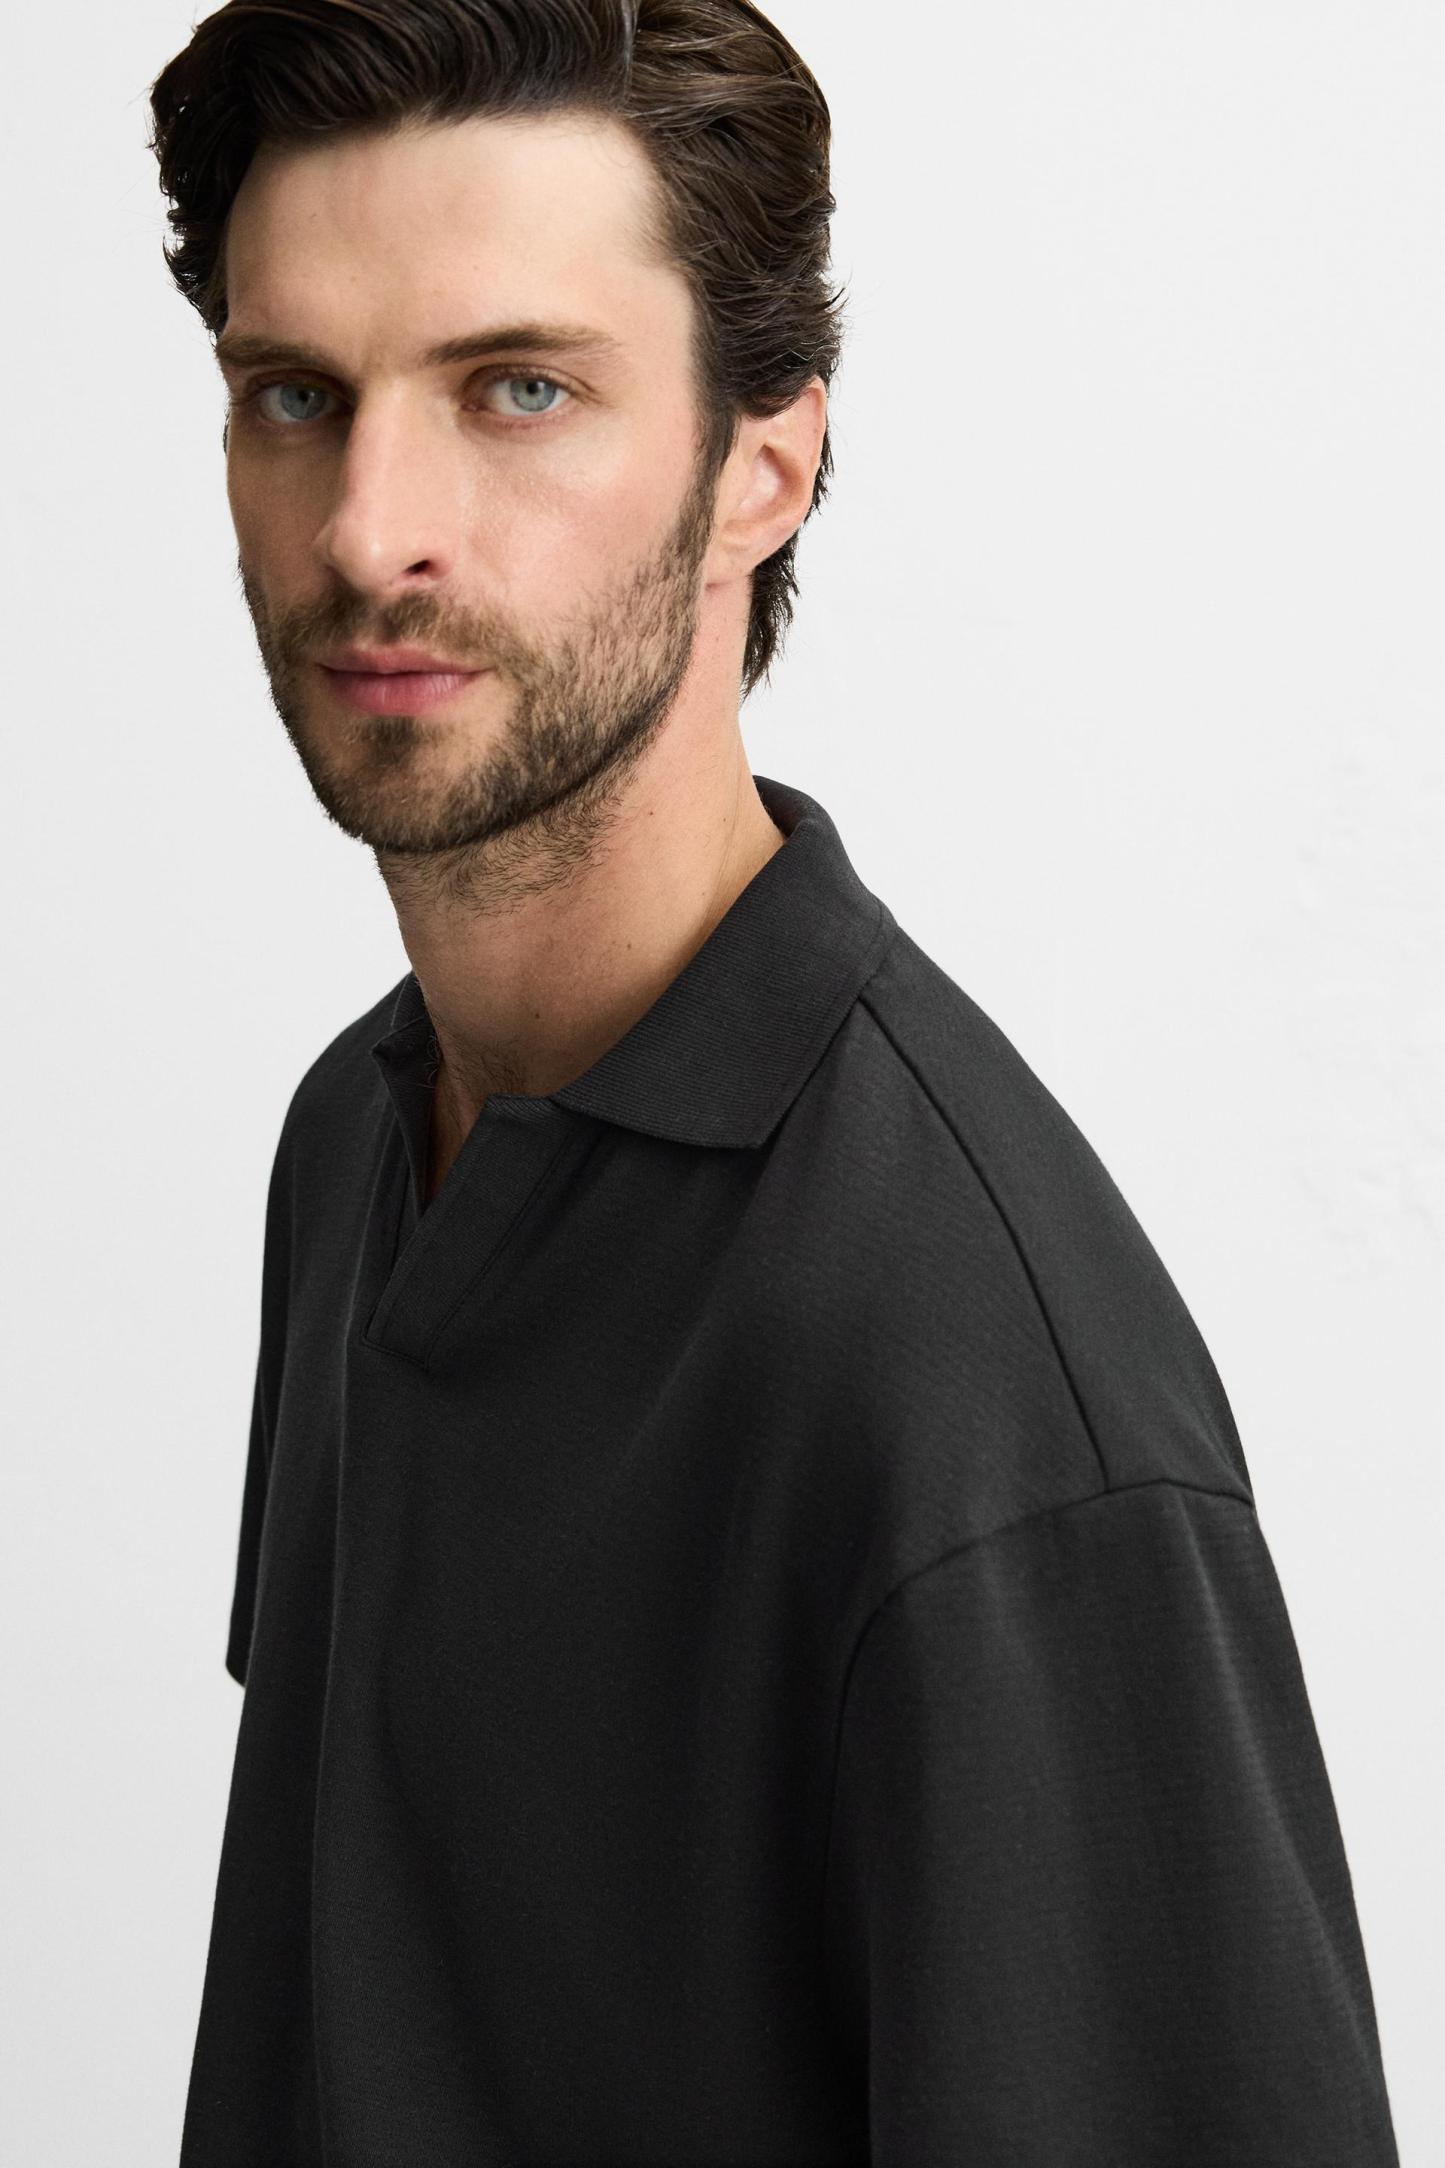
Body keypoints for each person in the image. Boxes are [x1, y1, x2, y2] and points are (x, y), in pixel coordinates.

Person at [148, 4, 1400, 2162]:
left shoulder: (977, 1398)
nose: (368, 529)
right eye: (295, 395)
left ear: (764, 465)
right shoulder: (358, 1139)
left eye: (517, 388)